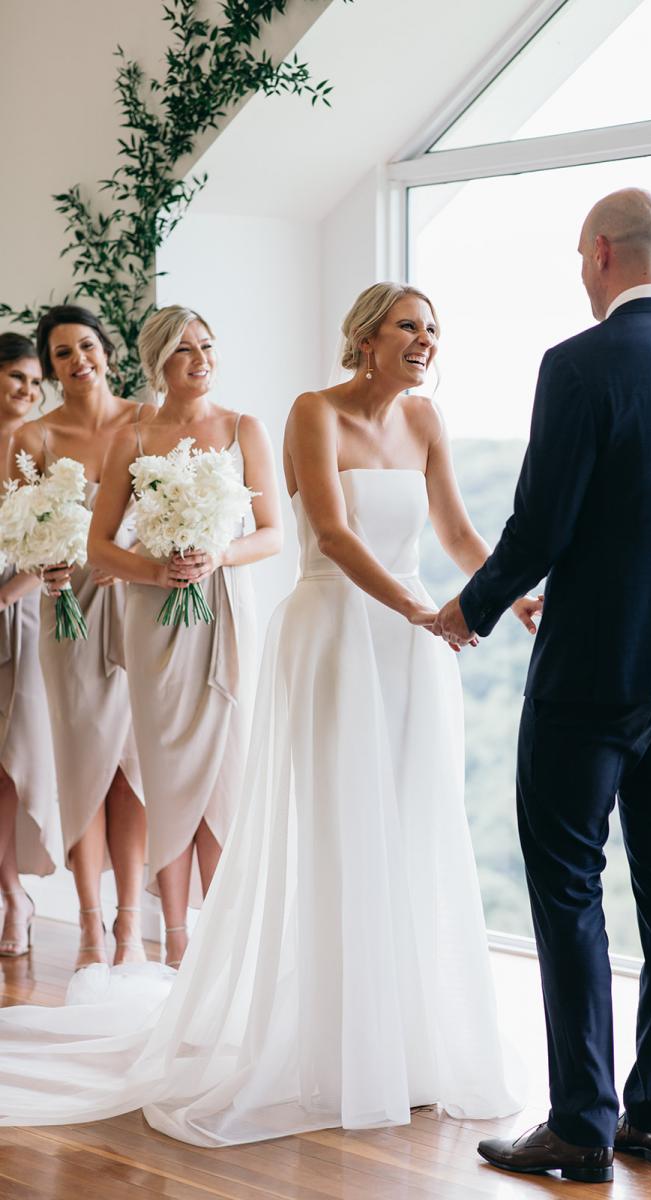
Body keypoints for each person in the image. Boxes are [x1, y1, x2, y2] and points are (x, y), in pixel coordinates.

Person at [0, 282, 524, 1141]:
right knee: (327, 821)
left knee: (418, 821)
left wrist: (510, 593)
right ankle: (284, 1013)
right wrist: (417, 609)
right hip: (336, 629)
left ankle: (414, 1039)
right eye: (408, 326)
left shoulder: (424, 423)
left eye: (434, 326)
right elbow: (332, 532)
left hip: (412, 641)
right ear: (364, 338)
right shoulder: (305, 412)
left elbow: (460, 536)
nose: (426, 339)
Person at [435, 189, 651, 1182]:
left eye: (581, 258)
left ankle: (579, 1124)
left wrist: (470, 608)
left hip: (595, 669)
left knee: (568, 884)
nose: (580, 274)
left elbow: (541, 523)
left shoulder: (576, 365)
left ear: (603, 253)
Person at [88, 305, 282, 969]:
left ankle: (223, 947)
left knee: (227, 773)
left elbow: (273, 534)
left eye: (206, 346)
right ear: (157, 363)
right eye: (183, 351)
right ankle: (173, 942)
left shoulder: (242, 428)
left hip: (225, 613)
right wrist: (156, 567)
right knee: (167, 774)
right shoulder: (131, 437)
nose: (201, 360)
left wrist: (216, 556)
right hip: (154, 621)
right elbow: (99, 549)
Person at [11, 306, 147, 970]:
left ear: (108, 352)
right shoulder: (33, 439)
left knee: (133, 773)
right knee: (83, 770)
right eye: (62, 353)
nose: (77, 360)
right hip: (70, 615)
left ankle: (130, 925)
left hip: (138, 613)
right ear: (50, 365)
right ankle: (90, 925)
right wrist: (44, 561)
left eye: (86, 346)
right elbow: (16, 531)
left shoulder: (145, 423)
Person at [0, 333, 59, 955]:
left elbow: (59, 539)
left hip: (22, 621)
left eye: (35, 381)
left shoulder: (43, 451)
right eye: (18, 377)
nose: (29, 389)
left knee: (12, 766)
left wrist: (8, 591)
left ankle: (15, 896)